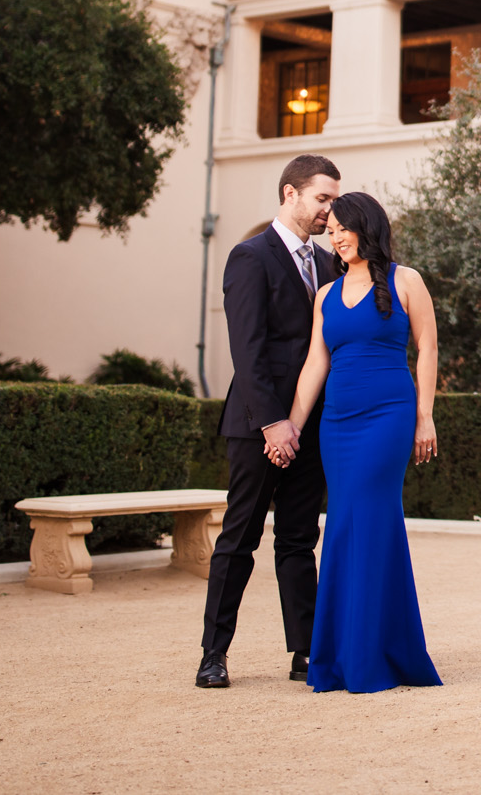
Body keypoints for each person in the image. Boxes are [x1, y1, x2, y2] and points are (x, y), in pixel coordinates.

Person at [278, 190, 443, 693]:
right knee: (345, 526)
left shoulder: (406, 280)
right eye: (329, 232)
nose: (334, 237)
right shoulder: (326, 295)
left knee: (371, 520)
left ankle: (374, 654)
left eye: (341, 228)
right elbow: (315, 365)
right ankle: (343, 653)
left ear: (364, 225)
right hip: (339, 425)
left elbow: (429, 347)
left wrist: (425, 418)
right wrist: (292, 426)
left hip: (389, 415)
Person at [195, 154, 341, 689]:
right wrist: (274, 424)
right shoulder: (249, 256)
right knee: (239, 539)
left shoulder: (329, 266)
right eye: (322, 198)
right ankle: (214, 653)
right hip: (259, 425)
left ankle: (306, 651)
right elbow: (247, 352)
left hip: (314, 427)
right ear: (290, 194)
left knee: (300, 540)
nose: (330, 209)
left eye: (333, 200)